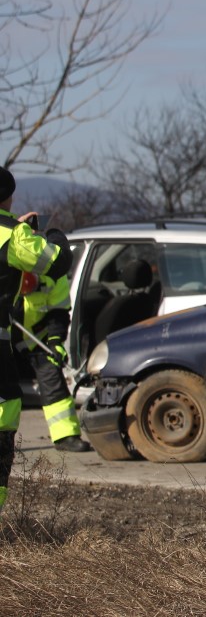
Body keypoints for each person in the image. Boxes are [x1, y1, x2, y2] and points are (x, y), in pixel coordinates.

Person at [0, 166, 74, 512]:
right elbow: (55, 261)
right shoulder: (13, 236)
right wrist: (53, 235)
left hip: (32, 334)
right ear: (8, 196)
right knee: (4, 416)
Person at [17, 264, 92, 452]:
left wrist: (55, 341)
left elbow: (58, 313)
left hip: (37, 339)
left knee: (52, 377)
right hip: (6, 338)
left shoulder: (54, 276)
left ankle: (65, 436)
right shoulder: (6, 277)